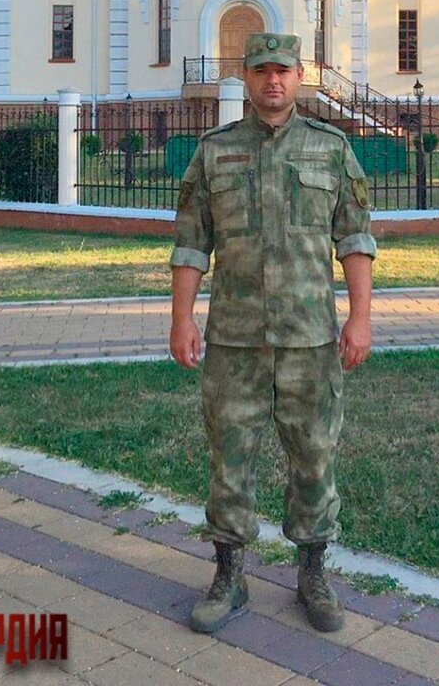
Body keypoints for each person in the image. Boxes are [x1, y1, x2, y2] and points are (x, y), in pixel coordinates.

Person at [169, 31, 376, 635]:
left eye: (282, 69)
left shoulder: (332, 149)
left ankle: (312, 573)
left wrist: (359, 319)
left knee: (314, 458)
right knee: (229, 460)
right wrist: (183, 318)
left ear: (299, 74)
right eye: (260, 70)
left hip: (311, 339)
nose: (272, 81)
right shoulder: (214, 151)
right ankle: (228, 576)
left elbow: (355, 242)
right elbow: (190, 243)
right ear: (248, 76)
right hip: (234, 341)